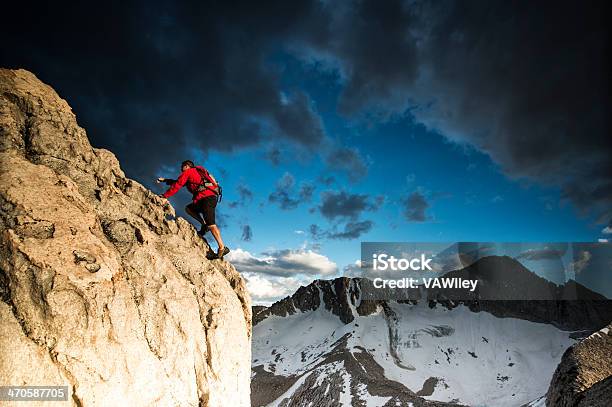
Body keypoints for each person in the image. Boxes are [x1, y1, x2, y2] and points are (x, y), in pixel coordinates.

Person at [157, 160, 229, 259]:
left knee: (211, 223)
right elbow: (178, 182)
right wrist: (165, 180)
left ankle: (222, 247)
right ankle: (204, 225)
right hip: (205, 198)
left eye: (182, 166)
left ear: (187, 166)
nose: (181, 168)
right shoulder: (194, 174)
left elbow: (177, 185)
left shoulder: (189, 172)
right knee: (189, 209)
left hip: (207, 198)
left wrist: (165, 196)